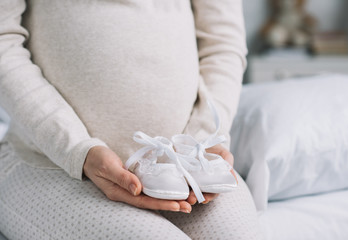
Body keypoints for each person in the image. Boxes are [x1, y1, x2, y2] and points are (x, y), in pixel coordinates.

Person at [0, 0, 262, 239]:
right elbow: (3, 42)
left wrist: (202, 140)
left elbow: (222, 42)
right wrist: (77, 151)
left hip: (186, 169)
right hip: (49, 165)